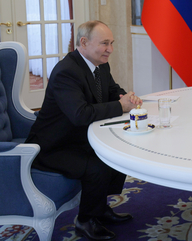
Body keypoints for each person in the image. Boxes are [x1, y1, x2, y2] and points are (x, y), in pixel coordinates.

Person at [26, 20, 143, 241]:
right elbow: (80, 114)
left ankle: (100, 209)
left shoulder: (100, 63)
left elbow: (111, 90)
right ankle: (86, 220)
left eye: (112, 43)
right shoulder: (66, 72)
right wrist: (120, 106)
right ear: (84, 43)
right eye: (104, 43)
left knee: (116, 153)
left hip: (78, 137)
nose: (110, 49)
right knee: (97, 166)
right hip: (54, 146)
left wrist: (125, 97)